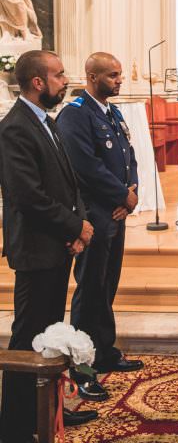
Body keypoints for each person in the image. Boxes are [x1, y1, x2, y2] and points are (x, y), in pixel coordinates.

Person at [0, 50, 98, 442]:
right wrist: (76, 226)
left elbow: (68, 184)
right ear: (37, 82)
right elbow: (30, 197)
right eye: (58, 75)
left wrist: (77, 227)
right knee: (28, 340)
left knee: (51, 333)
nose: (65, 80)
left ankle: (50, 411)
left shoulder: (46, 121)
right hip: (36, 250)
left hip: (56, 244)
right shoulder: (15, 128)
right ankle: (16, 426)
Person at [56, 52, 142, 403]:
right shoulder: (75, 115)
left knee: (107, 285)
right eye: (112, 75)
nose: (120, 80)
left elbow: (128, 155)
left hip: (116, 212)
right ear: (92, 77)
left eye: (120, 74)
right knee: (90, 289)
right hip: (94, 214)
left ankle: (103, 350)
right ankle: (82, 368)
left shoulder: (112, 111)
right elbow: (84, 167)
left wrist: (131, 191)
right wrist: (121, 194)